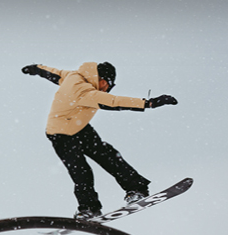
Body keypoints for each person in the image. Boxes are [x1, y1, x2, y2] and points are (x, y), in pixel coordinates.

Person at [22, 62, 178, 220]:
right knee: (81, 171)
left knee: (109, 156)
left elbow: (53, 73)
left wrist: (36, 68)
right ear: (102, 79)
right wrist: (149, 103)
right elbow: (112, 102)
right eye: (108, 85)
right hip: (61, 136)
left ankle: (136, 189)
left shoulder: (73, 75)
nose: (106, 89)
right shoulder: (82, 90)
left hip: (80, 127)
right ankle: (89, 209)